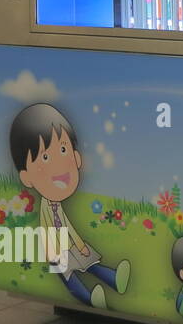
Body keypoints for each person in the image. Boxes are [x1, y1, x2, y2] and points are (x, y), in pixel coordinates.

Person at [10, 103, 130, 309]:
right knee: (70, 275)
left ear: (76, 157)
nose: (59, 164)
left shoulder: (56, 205)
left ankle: (113, 278)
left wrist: (79, 244)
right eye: (45, 157)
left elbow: (66, 225)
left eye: (63, 150)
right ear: (26, 177)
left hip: (67, 245)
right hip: (57, 250)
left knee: (87, 261)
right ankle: (88, 297)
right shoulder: (48, 207)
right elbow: (48, 228)